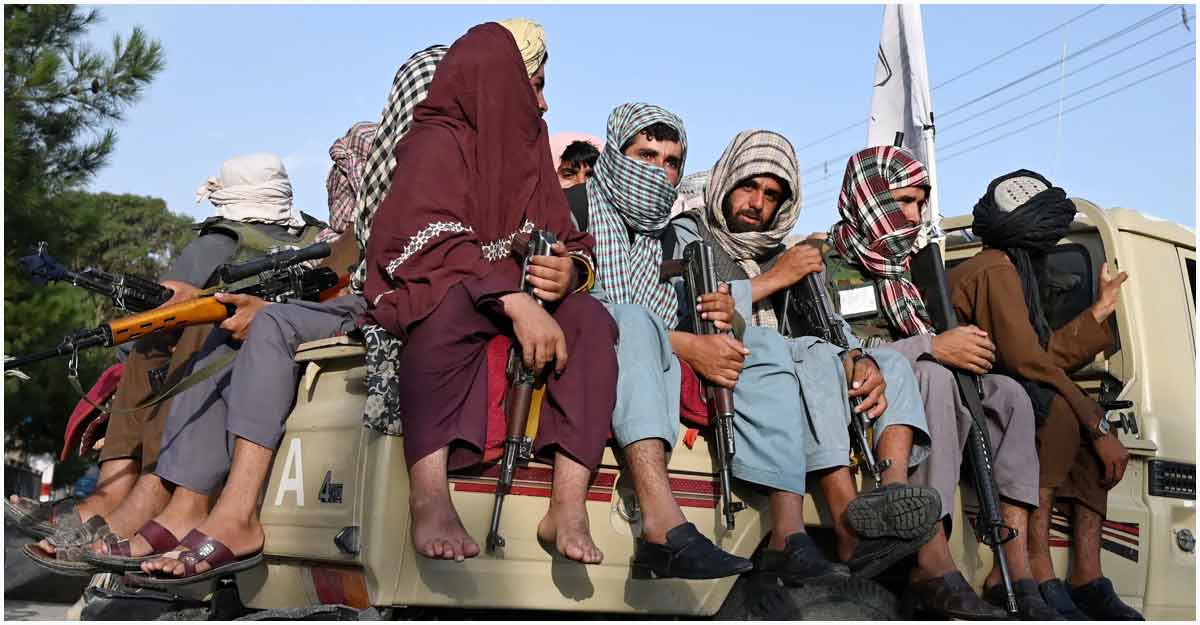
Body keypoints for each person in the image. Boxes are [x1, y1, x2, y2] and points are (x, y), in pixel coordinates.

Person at [357, 19, 618, 566]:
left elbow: (570, 241)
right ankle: (429, 496)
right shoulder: (436, 139)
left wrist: (570, 272)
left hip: (509, 289)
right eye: (535, 86)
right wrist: (514, 301)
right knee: (444, 309)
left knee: (591, 320)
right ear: (500, 81)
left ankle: (567, 506)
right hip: (439, 281)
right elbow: (430, 244)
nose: (543, 104)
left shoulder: (528, 149)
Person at [76, 125, 375, 583]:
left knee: (218, 331)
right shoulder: (324, 238)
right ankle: (162, 501)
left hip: (352, 313)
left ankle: (164, 499)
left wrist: (259, 309)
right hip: (327, 303)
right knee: (205, 327)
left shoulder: (221, 242)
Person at [15, 153, 327, 575]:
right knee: (175, 332)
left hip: (261, 346)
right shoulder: (313, 237)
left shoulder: (218, 241)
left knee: (164, 340)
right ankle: (126, 495)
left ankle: (131, 495)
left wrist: (127, 370)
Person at [669, 131, 940, 585]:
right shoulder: (689, 235)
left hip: (796, 365)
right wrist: (775, 279)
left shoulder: (783, 252)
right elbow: (693, 311)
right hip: (731, 366)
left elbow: (828, 321)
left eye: (771, 194)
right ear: (726, 182)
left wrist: (857, 357)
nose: (757, 203)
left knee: (888, 362)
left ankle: (891, 494)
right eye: (748, 187)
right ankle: (848, 525)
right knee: (802, 352)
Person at [820, 147, 1055, 619]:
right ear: (870, 196)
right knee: (932, 374)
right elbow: (834, 350)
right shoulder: (826, 263)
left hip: (924, 376)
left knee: (1010, 396)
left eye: (920, 204)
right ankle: (931, 557)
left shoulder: (912, 268)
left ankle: (1012, 567)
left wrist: (965, 347)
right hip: (866, 393)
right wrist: (932, 346)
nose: (915, 215)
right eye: (903, 201)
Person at [949, 170, 1141, 621]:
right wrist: (1095, 420)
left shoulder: (1011, 269)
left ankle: (1087, 576)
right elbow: (1029, 362)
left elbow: (1037, 353)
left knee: (1079, 431)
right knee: (1056, 412)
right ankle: (1036, 566)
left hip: (1001, 389)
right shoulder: (995, 268)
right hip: (974, 397)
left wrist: (1098, 312)